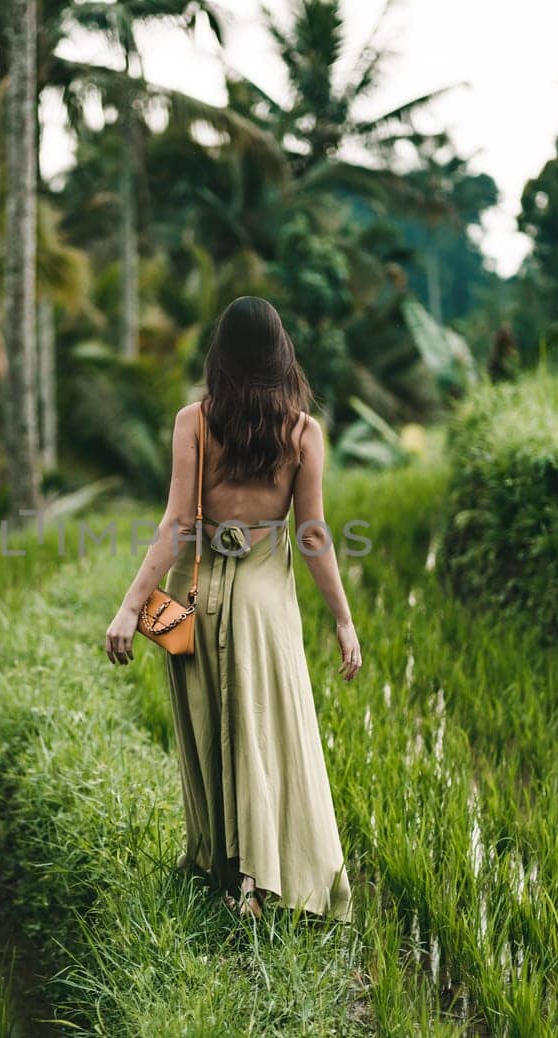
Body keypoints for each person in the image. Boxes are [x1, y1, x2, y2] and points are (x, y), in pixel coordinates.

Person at [103, 295, 359, 922]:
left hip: (203, 602)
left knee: (217, 733)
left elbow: (174, 527)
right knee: (267, 737)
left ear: (220, 355)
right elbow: (314, 534)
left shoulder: (194, 420)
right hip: (267, 609)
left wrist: (130, 608)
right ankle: (260, 880)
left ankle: (225, 867)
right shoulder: (302, 432)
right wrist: (344, 620)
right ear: (281, 356)